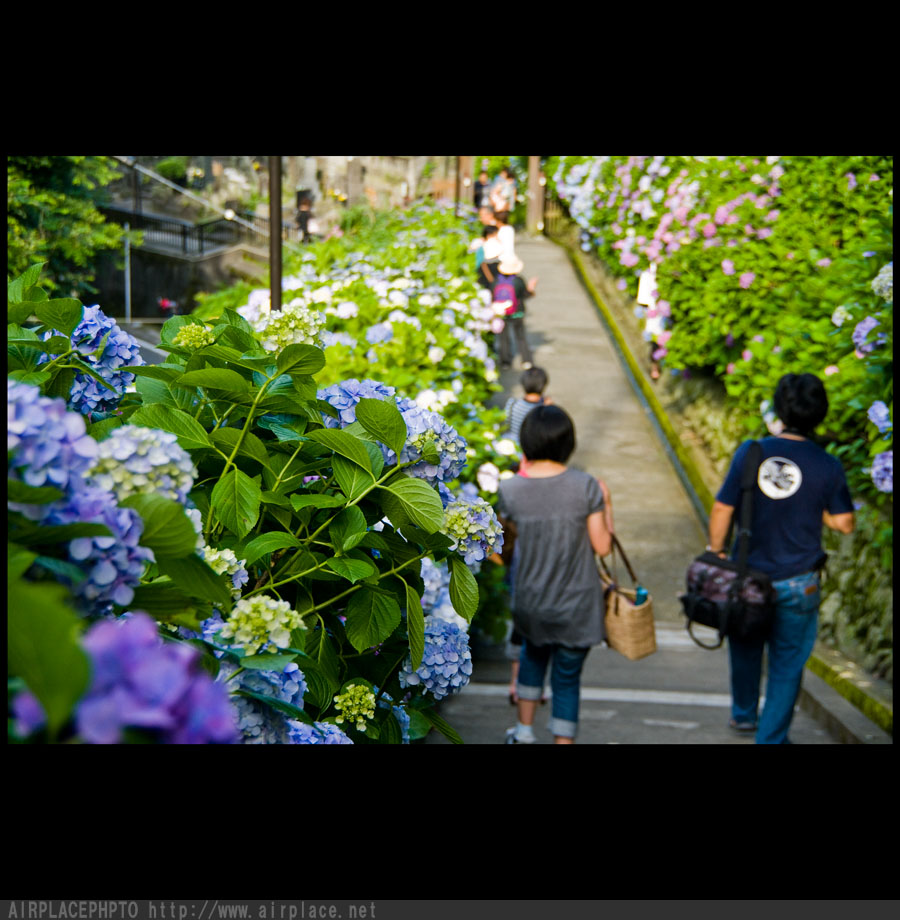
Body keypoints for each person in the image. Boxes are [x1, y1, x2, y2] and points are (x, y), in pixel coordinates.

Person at [708, 372, 854, 744]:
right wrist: (815, 505)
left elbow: (723, 507)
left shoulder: (751, 451)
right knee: (787, 665)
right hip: (799, 580)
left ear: (778, 408)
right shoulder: (827, 465)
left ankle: (743, 715)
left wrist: (716, 551)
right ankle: (771, 738)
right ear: (820, 413)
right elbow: (844, 523)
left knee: (744, 645)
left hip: (747, 575)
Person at [497, 404, 613, 743]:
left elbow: (501, 546)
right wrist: (607, 503)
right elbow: (602, 547)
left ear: (526, 442)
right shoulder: (587, 486)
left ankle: (523, 732)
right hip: (578, 605)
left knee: (531, 659)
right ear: (568, 442)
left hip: (531, 601)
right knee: (567, 679)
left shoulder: (511, 490)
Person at [492, 254, 537, 369]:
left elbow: (492, 296)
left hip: (501, 313)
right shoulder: (518, 281)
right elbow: (525, 295)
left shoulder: (496, 280)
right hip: (517, 312)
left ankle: (505, 362)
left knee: (503, 338)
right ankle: (526, 360)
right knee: (520, 337)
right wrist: (531, 288)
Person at [504, 366, 553, 445]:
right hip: (533, 449)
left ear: (523, 383)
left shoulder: (512, 403)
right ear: (544, 384)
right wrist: (550, 408)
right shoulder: (544, 409)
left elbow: (506, 424)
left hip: (513, 448)